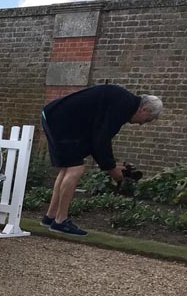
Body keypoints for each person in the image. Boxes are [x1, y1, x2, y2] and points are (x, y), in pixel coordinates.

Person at [40, 85, 163, 236]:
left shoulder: (123, 101)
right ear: (144, 110)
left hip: (54, 116)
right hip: (62, 121)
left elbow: (97, 139)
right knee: (75, 169)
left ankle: (50, 217)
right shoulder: (123, 106)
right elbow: (101, 139)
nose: (142, 124)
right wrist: (111, 169)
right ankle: (60, 221)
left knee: (67, 168)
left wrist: (111, 166)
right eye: (147, 120)